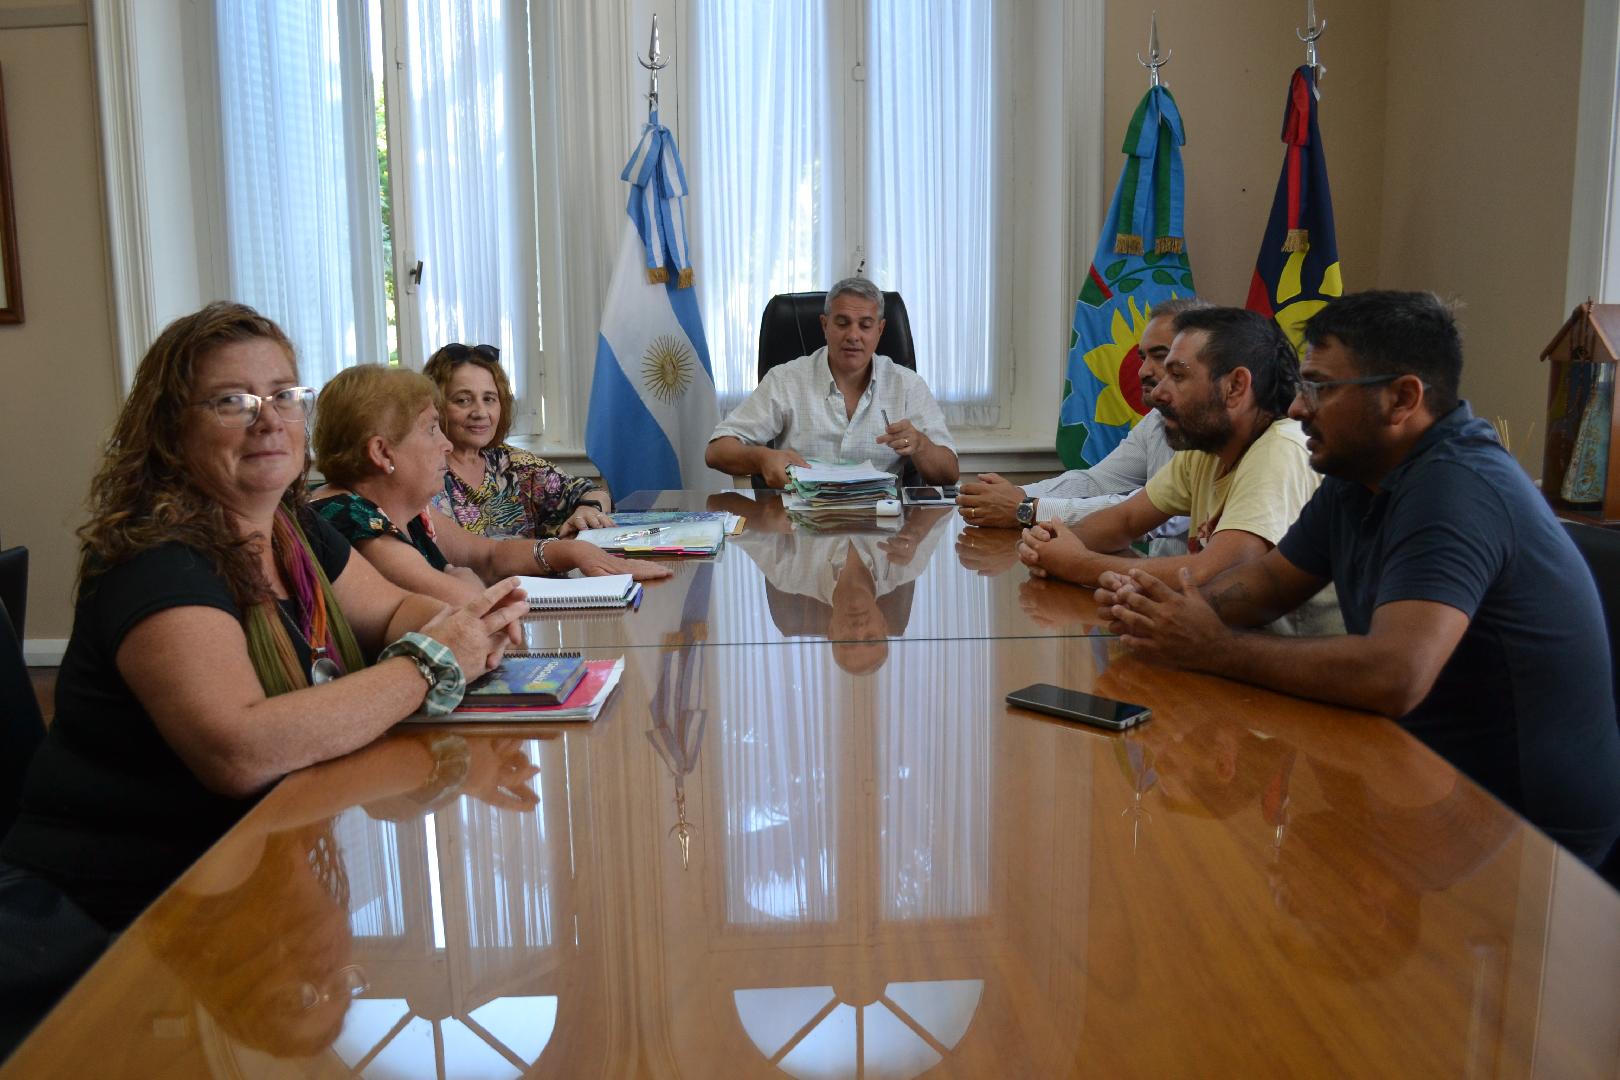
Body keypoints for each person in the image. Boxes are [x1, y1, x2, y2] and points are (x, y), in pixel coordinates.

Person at [0, 303, 529, 933]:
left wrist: (459, 629)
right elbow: (241, 749)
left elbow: (391, 609)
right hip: (119, 922)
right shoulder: (156, 560)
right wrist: (435, 661)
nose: (268, 420)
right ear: (171, 430)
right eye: (233, 402)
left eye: (282, 395)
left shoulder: (291, 524)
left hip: (241, 876)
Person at [1097, 290, 1620, 867]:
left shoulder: (1456, 489)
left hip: (1527, 836)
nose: (1296, 409)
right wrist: (1161, 611)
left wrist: (1214, 647)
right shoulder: (1358, 473)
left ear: (1402, 399)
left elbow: (1395, 673)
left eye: (1319, 387)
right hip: (1421, 775)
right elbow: (1268, 585)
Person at [1018, 306, 1338, 635]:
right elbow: (1125, 521)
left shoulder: (1281, 449)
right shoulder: (1206, 447)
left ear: (1236, 387)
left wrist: (1077, 564)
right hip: (1226, 649)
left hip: (1287, 666)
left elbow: (1213, 575)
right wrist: (1053, 544)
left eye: (1179, 375)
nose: (1157, 392)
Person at [310, 365, 671, 609]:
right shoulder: (348, 516)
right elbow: (470, 604)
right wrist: (461, 578)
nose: (446, 444)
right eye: (431, 428)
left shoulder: (408, 508)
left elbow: (487, 557)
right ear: (381, 452)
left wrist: (574, 553)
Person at [956, 297, 1206, 555]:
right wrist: (1014, 495)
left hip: (1186, 586)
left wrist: (1027, 507)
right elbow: (1098, 481)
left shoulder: (1212, 433)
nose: (1142, 371)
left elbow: (1139, 515)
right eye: (1143, 357)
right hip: (1157, 581)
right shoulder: (1157, 419)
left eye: (1161, 357)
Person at [706, 277, 959, 486]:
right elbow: (717, 451)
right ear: (825, 325)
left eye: (865, 325)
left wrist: (921, 445)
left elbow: (949, 473)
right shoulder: (786, 379)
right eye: (842, 323)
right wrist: (760, 457)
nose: (853, 335)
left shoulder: (906, 385)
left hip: (881, 530)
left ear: (880, 330)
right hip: (799, 530)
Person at [423, 342, 613, 539]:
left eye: (489, 399)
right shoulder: (423, 473)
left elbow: (592, 492)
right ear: (435, 407)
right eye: (463, 400)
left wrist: (589, 510)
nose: (480, 412)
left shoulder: (514, 464)